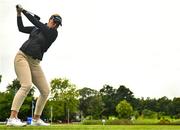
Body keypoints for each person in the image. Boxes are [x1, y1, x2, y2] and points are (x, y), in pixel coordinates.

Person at [6, 5, 62, 126]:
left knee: (46, 91)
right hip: (22, 57)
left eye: (58, 24)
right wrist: (19, 14)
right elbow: (21, 28)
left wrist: (24, 11)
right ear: (50, 19)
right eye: (55, 22)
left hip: (35, 63)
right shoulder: (36, 29)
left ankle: (36, 119)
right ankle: (12, 118)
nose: (55, 25)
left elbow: (36, 22)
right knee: (26, 85)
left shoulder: (53, 33)